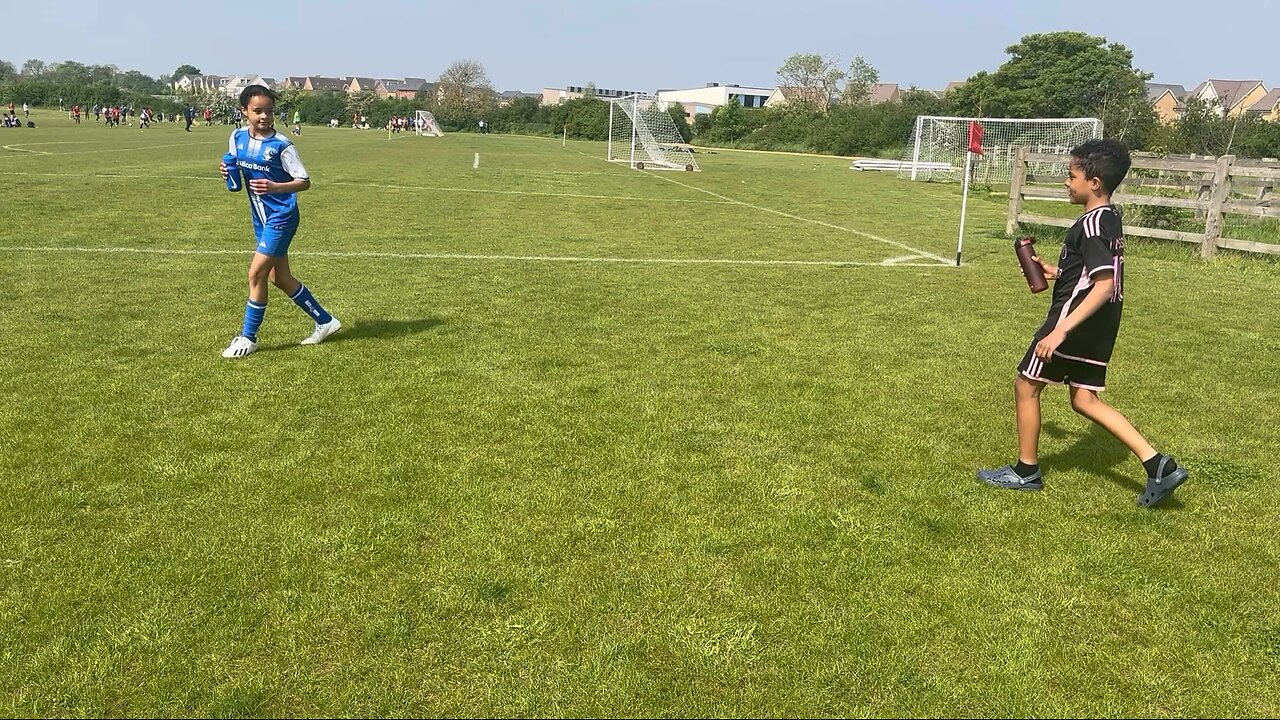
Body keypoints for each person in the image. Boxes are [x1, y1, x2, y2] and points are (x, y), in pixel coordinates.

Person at [977, 139, 1189, 508]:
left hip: (1073, 321)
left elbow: (1104, 285)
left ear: (1093, 182)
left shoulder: (1090, 224)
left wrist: (1060, 330)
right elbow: (1096, 275)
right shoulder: (1110, 217)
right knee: (1083, 398)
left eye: (1071, 175)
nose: (1065, 182)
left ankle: (1026, 472)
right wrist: (1058, 272)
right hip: (1100, 326)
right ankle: (1159, 465)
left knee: (1026, 385)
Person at [218, 85, 340, 359]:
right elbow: (235, 167)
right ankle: (326, 321)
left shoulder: (281, 145)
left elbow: (304, 182)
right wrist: (227, 170)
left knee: (256, 274)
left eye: (269, 111)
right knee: (280, 278)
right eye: (257, 111)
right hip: (260, 217)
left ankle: (248, 337)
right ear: (244, 112)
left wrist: (274, 187)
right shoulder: (236, 137)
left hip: (281, 217)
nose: (264, 116)